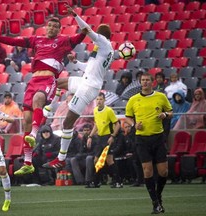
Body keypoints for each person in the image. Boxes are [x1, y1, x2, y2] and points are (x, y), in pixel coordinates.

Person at [0, 14, 86, 176]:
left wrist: (85, 29)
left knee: (38, 100)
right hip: (33, 81)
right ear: (46, 27)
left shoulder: (62, 41)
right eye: (50, 26)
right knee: (26, 120)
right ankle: (28, 162)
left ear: (59, 30)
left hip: (48, 79)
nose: (52, 28)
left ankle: (35, 134)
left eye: (56, 27)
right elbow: (12, 41)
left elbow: (78, 38)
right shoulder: (37, 40)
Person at [42, 5, 114, 169]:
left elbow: (87, 30)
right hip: (86, 81)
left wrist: (75, 15)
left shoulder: (103, 42)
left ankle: (60, 158)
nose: (94, 37)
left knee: (67, 124)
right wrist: (75, 62)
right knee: (55, 82)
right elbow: (89, 68)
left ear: (101, 36)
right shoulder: (104, 51)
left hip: (88, 87)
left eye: (97, 34)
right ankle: (47, 108)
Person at [125, 72, 173, 214]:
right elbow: (127, 117)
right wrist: (134, 125)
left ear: (152, 82)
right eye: (142, 80)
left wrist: (165, 115)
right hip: (141, 139)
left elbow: (170, 112)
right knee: (147, 170)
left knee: (163, 172)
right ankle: (155, 203)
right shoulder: (133, 99)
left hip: (158, 137)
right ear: (140, 82)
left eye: (147, 80)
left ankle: (158, 196)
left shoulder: (161, 96)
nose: (145, 82)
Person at [85, 93, 121, 188]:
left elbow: (117, 124)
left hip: (108, 137)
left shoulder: (109, 110)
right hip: (100, 138)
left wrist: (112, 136)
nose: (99, 101)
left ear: (104, 100)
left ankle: (117, 181)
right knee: (97, 160)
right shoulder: (95, 110)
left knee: (109, 160)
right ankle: (97, 181)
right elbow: (97, 124)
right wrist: (90, 136)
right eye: (97, 99)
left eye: (101, 99)